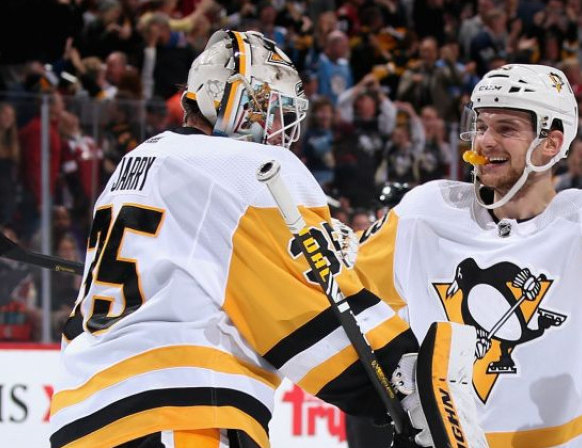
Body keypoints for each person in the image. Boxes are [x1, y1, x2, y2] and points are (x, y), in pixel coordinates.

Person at [49, 30, 486, 448]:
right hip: (180, 407)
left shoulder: (139, 159)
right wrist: (406, 387)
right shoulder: (248, 168)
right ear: (230, 100)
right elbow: (313, 300)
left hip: (80, 412)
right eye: (268, 108)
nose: (278, 128)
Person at [353, 64, 582, 447]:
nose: (484, 141)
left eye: (506, 128)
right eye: (482, 125)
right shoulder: (422, 214)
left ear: (551, 143)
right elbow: (342, 296)